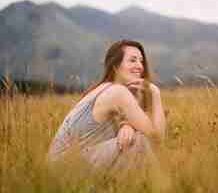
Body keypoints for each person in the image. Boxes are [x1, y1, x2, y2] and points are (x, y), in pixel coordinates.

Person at [47, 40, 167, 185]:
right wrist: (155, 93)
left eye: (141, 61)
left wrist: (128, 125)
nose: (140, 66)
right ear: (115, 66)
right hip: (64, 168)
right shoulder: (117, 92)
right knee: (139, 142)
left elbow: (130, 121)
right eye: (132, 60)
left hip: (63, 164)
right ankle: (162, 187)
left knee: (132, 140)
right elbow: (157, 137)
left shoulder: (107, 88)